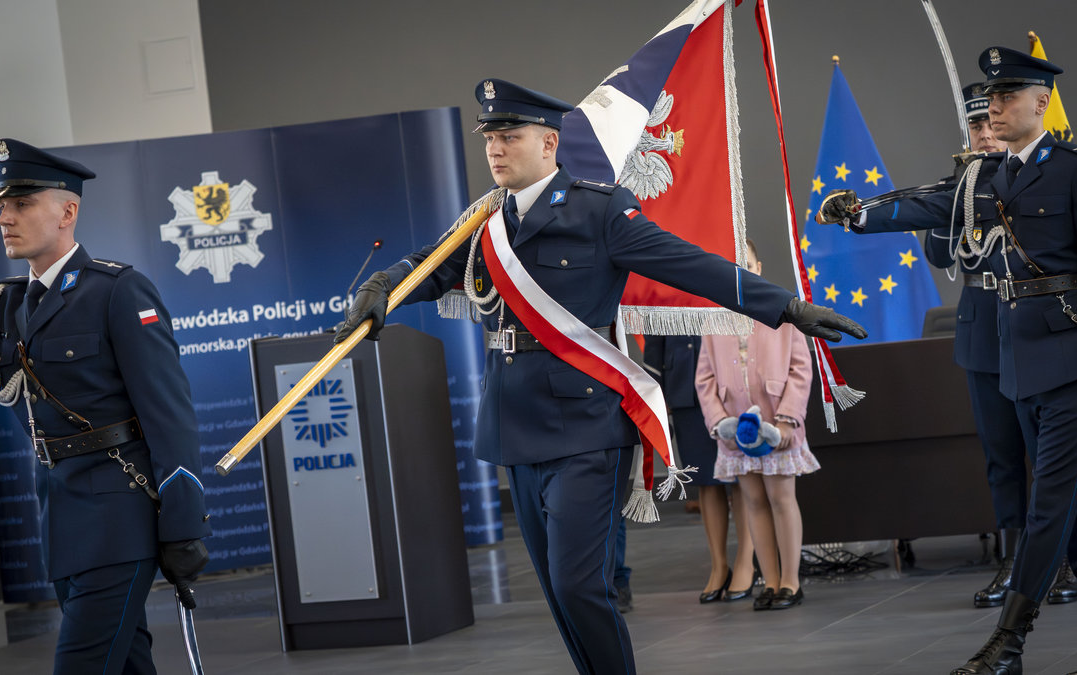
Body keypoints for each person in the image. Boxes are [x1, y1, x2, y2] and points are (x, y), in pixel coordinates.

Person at [334, 78, 866, 674]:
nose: (495, 149)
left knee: (581, 585)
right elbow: (431, 267)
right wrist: (383, 286)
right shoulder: (486, 221)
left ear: (549, 143)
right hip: (514, 423)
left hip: (586, 425)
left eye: (509, 136)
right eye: (489, 138)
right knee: (559, 592)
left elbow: (689, 264)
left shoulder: (600, 210)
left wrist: (785, 307)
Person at [816, 48, 1077, 674]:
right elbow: (928, 203)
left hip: (1075, 358)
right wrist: (859, 214)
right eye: (990, 98)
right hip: (1019, 362)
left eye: (1006, 96)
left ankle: (1008, 643)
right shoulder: (985, 175)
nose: (993, 108)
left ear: (1040, 102)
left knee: (1050, 503)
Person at [0, 139, 210, 674]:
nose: (5, 217)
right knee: (125, 664)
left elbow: (169, 415)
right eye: (2, 206)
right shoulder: (7, 307)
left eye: (22, 203)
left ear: (67, 212)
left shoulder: (118, 291)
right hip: (62, 518)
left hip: (118, 520)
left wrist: (184, 523)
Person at [925, 83, 1077, 609]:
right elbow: (937, 254)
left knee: (1049, 456)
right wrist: (957, 192)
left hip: (1035, 328)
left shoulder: (1035, 175)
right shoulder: (964, 184)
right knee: (1002, 457)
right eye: (976, 125)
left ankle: (1064, 560)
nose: (986, 132)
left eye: (991, 121)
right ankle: (1014, 564)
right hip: (983, 330)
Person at [694, 239, 816, 611]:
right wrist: (721, 423)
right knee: (754, 502)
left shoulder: (783, 311)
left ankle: (791, 582)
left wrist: (787, 420)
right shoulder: (713, 319)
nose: (741, 272)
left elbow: (800, 369)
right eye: (732, 266)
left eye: (746, 264)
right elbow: (705, 378)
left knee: (781, 499)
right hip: (738, 435)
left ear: (758, 268)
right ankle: (771, 581)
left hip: (777, 430)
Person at [642, 335, 751, 603]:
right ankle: (719, 566)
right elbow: (655, 334)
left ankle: (746, 562)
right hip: (684, 380)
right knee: (705, 479)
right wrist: (655, 389)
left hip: (732, 376)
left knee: (742, 477)